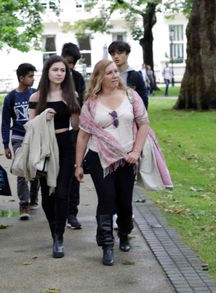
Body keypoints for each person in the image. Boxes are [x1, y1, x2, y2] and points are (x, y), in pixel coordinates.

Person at [74, 59, 149, 266]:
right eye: (109, 73)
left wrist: (136, 151)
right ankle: (107, 245)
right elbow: (83, 136)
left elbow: (143, 124)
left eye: (116, 71)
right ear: (99, 78)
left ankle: (124, 233)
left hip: (126, 158)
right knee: (107, 200)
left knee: (124, 202)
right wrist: (78, 165)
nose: (115, 75)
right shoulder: (91, 104)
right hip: (99, 158)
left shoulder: (131, 97)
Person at [28, 55, 80, 258]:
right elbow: (29, 126)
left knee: (62, 192)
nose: (59, 73)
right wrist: (43, 118)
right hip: (44, 148)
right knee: (48, 195)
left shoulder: (71, 94)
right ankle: (54, 230)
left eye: (62, 70)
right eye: (55, 70)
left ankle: (59, 237)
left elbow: (76, 126)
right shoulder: (36, 97)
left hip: (66, 144)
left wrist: (75, 109)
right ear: (47, 72)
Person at [1, 63, 40, 219]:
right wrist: (5, 145)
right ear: (21, 78)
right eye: (30, 76)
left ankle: (33, 196)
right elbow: (5, 122)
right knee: (21, 170)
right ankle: (23, 204)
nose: (33, 79)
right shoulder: (11, 97)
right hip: (18, 137)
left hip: (34, 137)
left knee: (35, 169)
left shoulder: (35, 94)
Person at [61, 42, 86, 229]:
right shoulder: (52, 76)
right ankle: (59, 211)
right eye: (68, 62)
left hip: (75, 132)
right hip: (57, 132)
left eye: (73, 63)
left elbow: (84, 103)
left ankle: (72, 213)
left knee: (75, 171)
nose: (70, 67)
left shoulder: (77, 78)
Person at [108, 41, 149, 109]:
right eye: (113, 54)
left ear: (127, 54)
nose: (116, 56)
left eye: (119, 53)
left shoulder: (136, 76)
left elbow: (143, 100)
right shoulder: (105, 75)